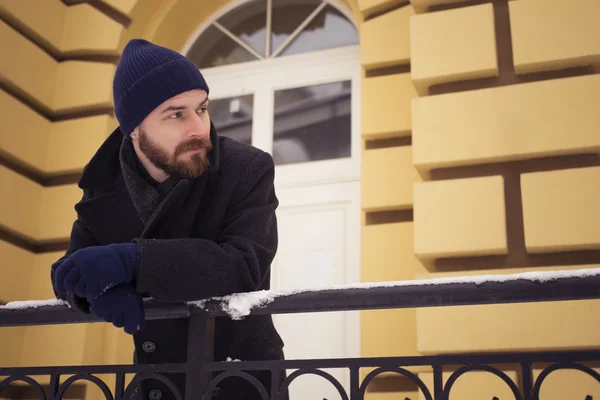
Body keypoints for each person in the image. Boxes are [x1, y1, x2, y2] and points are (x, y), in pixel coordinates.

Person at [50, 39, 285, 400]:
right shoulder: (103, 185)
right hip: (158, 382)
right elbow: (69, 270)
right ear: (134, 128)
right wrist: (98, 293)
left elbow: (242, 266)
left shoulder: (245, 169)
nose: (198, 128)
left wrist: (132, 262)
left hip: (241, 382)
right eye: (176, 114)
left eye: (202, 109)